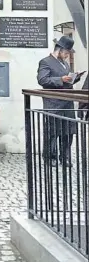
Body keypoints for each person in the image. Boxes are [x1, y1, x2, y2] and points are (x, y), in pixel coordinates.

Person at [37, 35, 82, 167]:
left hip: (67, 102)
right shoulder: (45, 62)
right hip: (53, 102)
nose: (67, 55)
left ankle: (65, 156)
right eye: (66, 53)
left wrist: (75, 77)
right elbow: (42, 80)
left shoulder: (65, 64)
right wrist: (60, 79)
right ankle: (50, 156)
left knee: (68, 131)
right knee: (52, 131)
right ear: (60, 50)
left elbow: (67, 80)